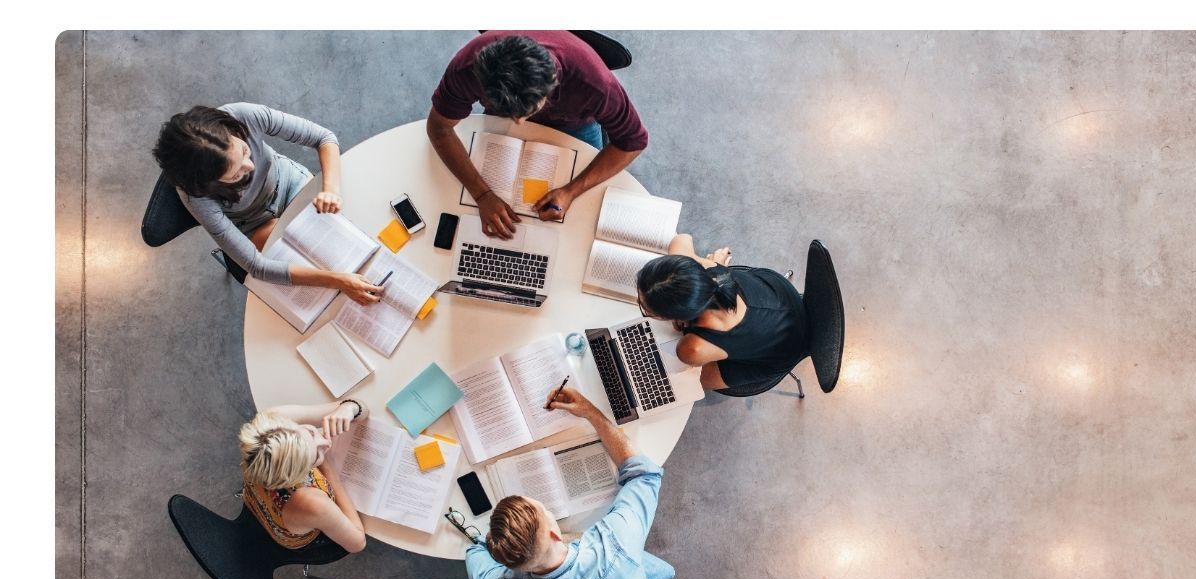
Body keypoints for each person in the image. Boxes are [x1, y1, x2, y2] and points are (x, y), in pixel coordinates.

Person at [152, 103, 384, 304]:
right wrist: (337, 281)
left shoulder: (243, 115)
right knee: (312, 265)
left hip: (290, 183)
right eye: (235, 174)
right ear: (208, 184)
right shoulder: (195, 196)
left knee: (350, 230)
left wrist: (331, 190)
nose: (251, 166)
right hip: (253, 223)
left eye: (245, 151)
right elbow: (257, 266)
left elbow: (324, 138)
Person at [427, 31, 649, 238]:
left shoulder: (594, 84)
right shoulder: (466, 67)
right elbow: (439, 128)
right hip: (499, 119)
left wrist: (571, 191)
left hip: (575, 125)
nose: (519, 123)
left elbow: (634, 142)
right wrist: (482, 194)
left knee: (581, 217)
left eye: (528, 111)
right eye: (511, 113)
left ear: (553, 81)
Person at [464, 387, 675, 579]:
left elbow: (475, 553)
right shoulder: (615, 542)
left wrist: (500, 541)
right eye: (544, 511)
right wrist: (590, 412)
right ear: (555, 535)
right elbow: (644, 474)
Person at [636, 234, 809, 390]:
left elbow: (692, 354)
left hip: (783, 352)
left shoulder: (691, 348)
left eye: (645, 309)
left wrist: (685, 325)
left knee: (688, 384)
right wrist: (710, 264)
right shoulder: (708, 269)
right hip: (780, 295)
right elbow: (681, 239)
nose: (638, 302)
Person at [238, 399, 368, 553]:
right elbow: (358, 543)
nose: (326, 443)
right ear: (296, 477)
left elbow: (361, 407)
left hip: (256, 498)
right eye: (316, 456)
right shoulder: (312, 502)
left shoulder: (272, 421)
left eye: (311, 432)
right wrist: (328, 467)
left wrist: (349, 408)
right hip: (295, 534)